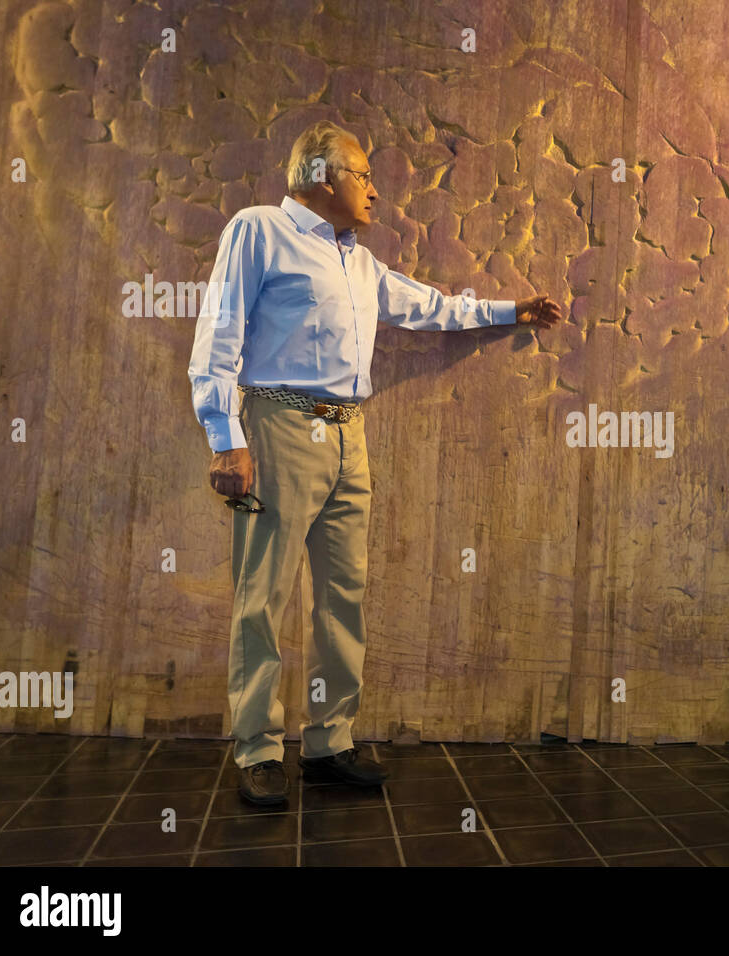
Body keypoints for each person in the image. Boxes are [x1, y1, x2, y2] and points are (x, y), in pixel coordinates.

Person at [187, 120, 563, 806]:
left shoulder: (357, 260)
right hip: (277, 426)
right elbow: (219, 327)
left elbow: (430, 307)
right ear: (320, 178)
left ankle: (329, 743)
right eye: (363, 176)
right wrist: (225, 435)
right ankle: (259, 752)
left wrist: (514, 310)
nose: (375, 193)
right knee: (263, 595)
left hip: (349, 436)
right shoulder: (259, 230)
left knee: (343, 595)